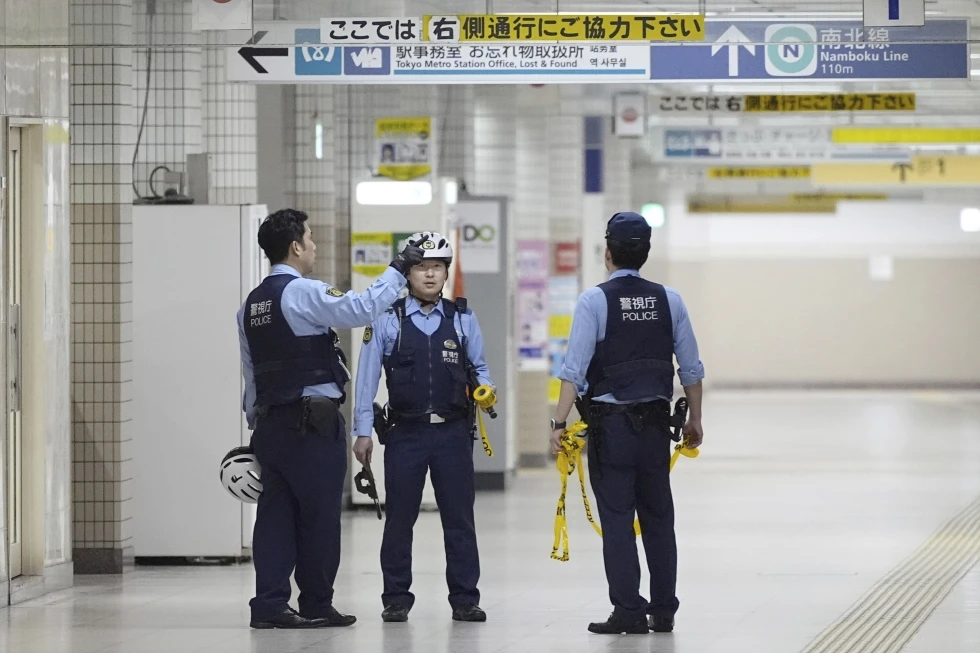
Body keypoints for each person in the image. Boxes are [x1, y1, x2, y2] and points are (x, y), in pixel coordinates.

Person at [238, 208, 424, 629]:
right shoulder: (302, 292)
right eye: (310, 238)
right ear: (295, 247)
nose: (315, 246)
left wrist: (256, 426)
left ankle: (268, 604)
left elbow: (251, 374)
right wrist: (398, 268)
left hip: (271, 426)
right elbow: (361, 309)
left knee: (274, 517)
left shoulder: (251, 305)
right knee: (319, 516)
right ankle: (316, 603)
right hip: (312, 426)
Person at [549, 211, 705, 635]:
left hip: (611, 428)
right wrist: (695, 420)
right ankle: (664, 610)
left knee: (618, 520)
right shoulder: (670, 300)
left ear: (608, 254)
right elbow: (691, 368)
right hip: (655, 428)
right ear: (646, 252)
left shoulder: (594, 301)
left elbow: (574, 371)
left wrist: (559, 423)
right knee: (659, 518)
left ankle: (629, 611)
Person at [352, 231, 492, 624]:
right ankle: (396, 597)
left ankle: (465, 599)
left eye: (437, 267)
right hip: (405, 434)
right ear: (408, 273)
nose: (429, 275)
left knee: (459, 520)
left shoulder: (462, 319)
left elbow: (480, 367)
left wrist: (487, 388)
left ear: (446, 273)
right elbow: (366, 378)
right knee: (399, 520)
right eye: (420, 267)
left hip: (452, 433)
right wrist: (362, 431)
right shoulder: (387, 319)